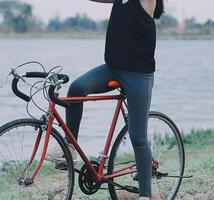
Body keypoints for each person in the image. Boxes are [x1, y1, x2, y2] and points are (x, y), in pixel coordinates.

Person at [47, 0, 164, 199]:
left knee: (138, 136)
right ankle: (69, 148)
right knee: (77, 88)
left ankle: (146, 195)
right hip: (112, 69)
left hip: (139, 75)